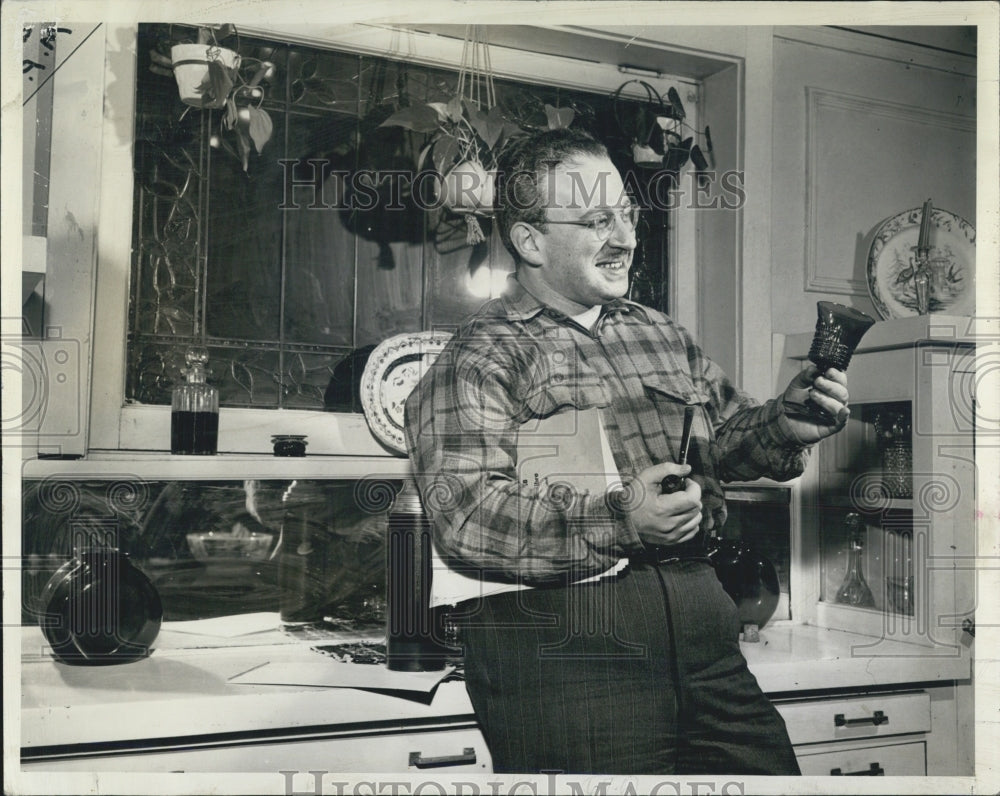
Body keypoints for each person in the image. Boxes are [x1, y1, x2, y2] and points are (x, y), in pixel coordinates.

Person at [403, 128, 850, 775]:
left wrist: (784, 422)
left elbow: (724, 442)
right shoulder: (481, 356)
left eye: (627, 215)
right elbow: (466, 518)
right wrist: (619, 520)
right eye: (595, 220)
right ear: (530, 241)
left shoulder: (659, 334)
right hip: (570, 664)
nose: (625, 238)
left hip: (706, 646)